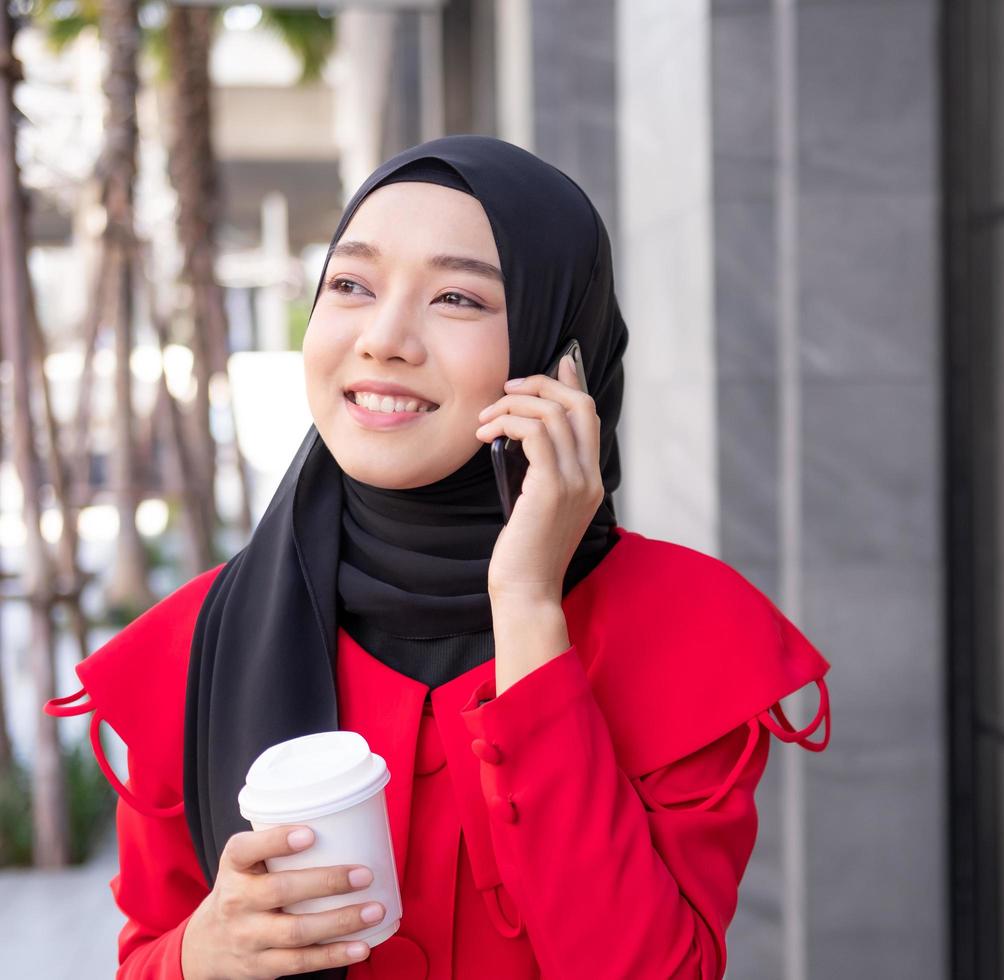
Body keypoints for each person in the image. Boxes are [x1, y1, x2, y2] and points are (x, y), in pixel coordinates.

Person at [45, 135, 831, 980]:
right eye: (350, 284)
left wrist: (529, 606)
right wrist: (202, 955)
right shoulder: (196, 643)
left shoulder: (686, 632)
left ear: (557, 360)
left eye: (456, 297)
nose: (383, 339)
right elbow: (146, 960)